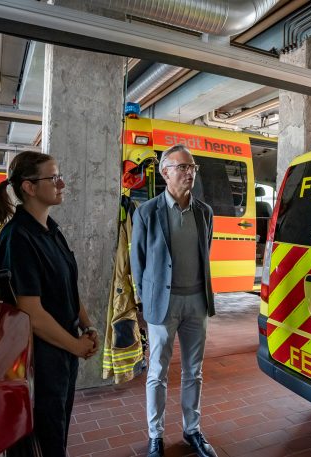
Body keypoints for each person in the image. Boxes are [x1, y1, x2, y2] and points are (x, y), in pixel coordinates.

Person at [0, 151, 98, 457]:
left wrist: (87, 325)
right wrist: (75, 346)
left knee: (58, 429)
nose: (61, 183)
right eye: (52, 178)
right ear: (29, 187)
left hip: (63, 352)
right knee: (45, 439)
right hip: (41, 357)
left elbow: (69, 287)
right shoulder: (18, 239)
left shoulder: (52, 231)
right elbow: (32, 314)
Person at [130, 144, 217, 457]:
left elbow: (203, 253)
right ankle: (156, 435)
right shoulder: (147, 212)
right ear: (165, 172)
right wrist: (143, 302)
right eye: (182, 167)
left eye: (192, 167)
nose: (189, 173)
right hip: (162, 305)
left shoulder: (204, 212)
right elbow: (137, 262)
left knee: (194, 371)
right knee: (157, 373)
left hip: (196, 303)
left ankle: (192, 430)